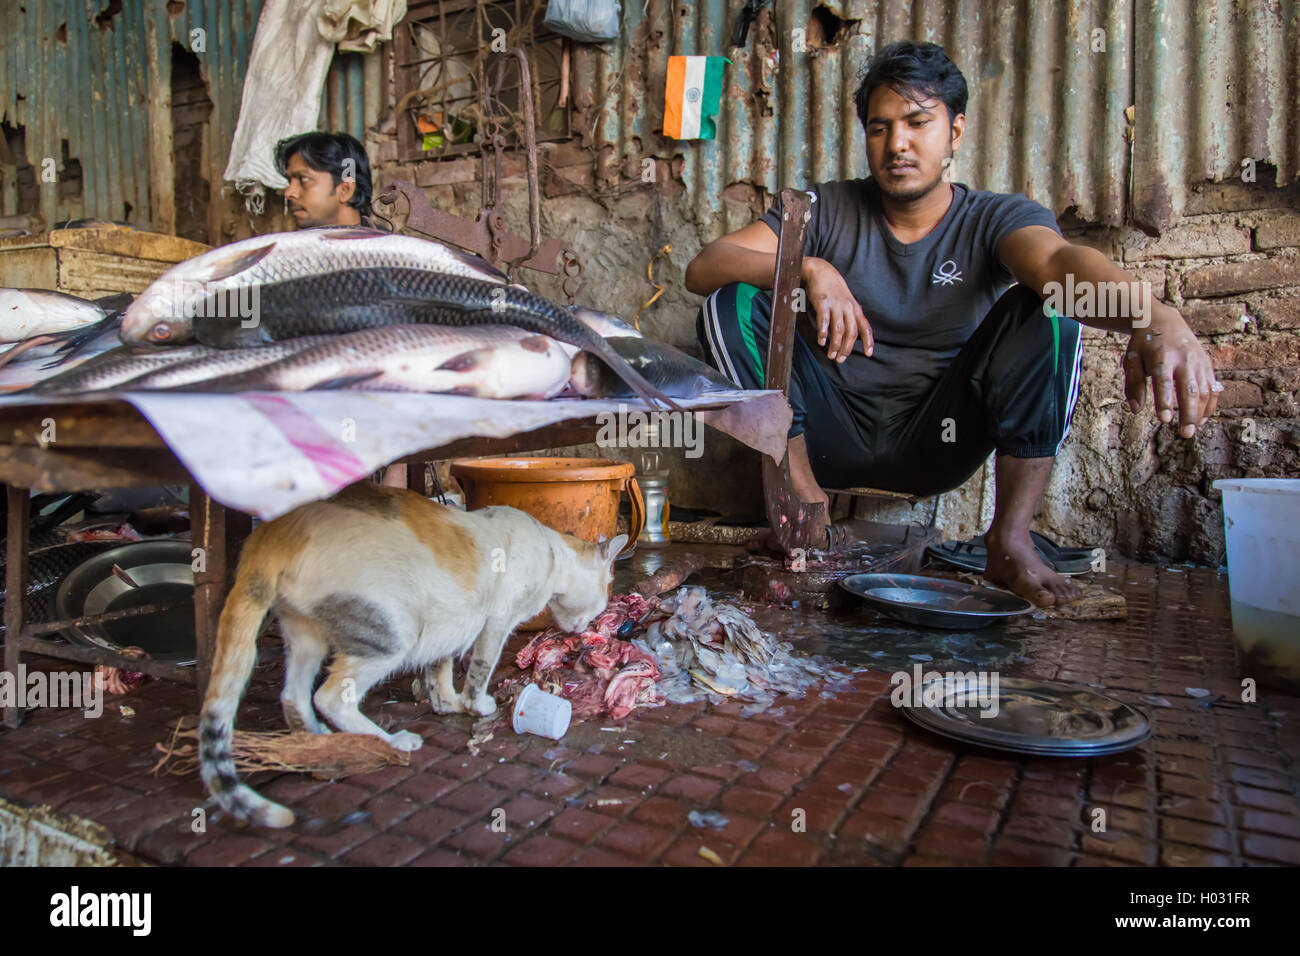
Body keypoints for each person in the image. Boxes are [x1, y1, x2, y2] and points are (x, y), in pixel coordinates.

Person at [685, 41, 1220, 608]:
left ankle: (1010, 540)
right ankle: (803, 506)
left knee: (1050, 307)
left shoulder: (993, 218)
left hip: (938, 440)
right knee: (730, 302)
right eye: (879, 128)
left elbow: (1062, 267)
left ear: (955, 131)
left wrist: (1154, 317)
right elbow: (704, 268)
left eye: (918, 123)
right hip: (820, 437)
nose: (898, 145)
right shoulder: (826, 209)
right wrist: (806, 269)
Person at [273, 131, 374, 229]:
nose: (288, 193)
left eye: (304, 179)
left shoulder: (382, 245)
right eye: (289, 181)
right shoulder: (294, 245)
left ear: (345, 190)